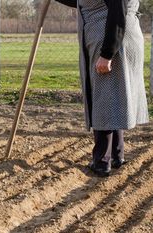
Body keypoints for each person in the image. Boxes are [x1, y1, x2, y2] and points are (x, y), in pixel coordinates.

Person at [55, 0, 149, 177]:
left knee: (104, 97)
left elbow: (117, 8)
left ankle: (101, 161)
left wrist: (107, 54)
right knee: (114, 94)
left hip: (110, 40)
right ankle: (116, 155)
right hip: (118, 38)